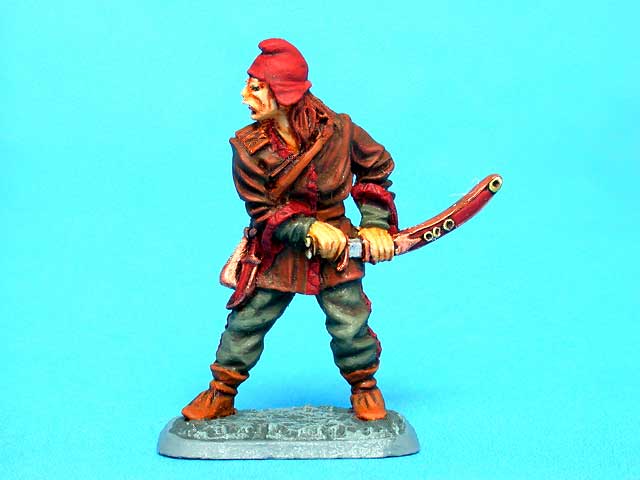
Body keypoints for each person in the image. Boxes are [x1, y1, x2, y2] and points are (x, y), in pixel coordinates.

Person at [182, 38, 398, 421]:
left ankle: (364, 386)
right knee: (247, 322)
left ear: (282, 93)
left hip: (337, 251)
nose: (244, 96)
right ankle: (221, 391)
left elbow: (376, 169)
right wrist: (308, 229)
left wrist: (375, 226)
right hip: (277, 250)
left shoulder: (341, 131)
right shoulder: (248, 147)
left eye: (256, 88)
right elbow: (262, 210)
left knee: (350, 323)